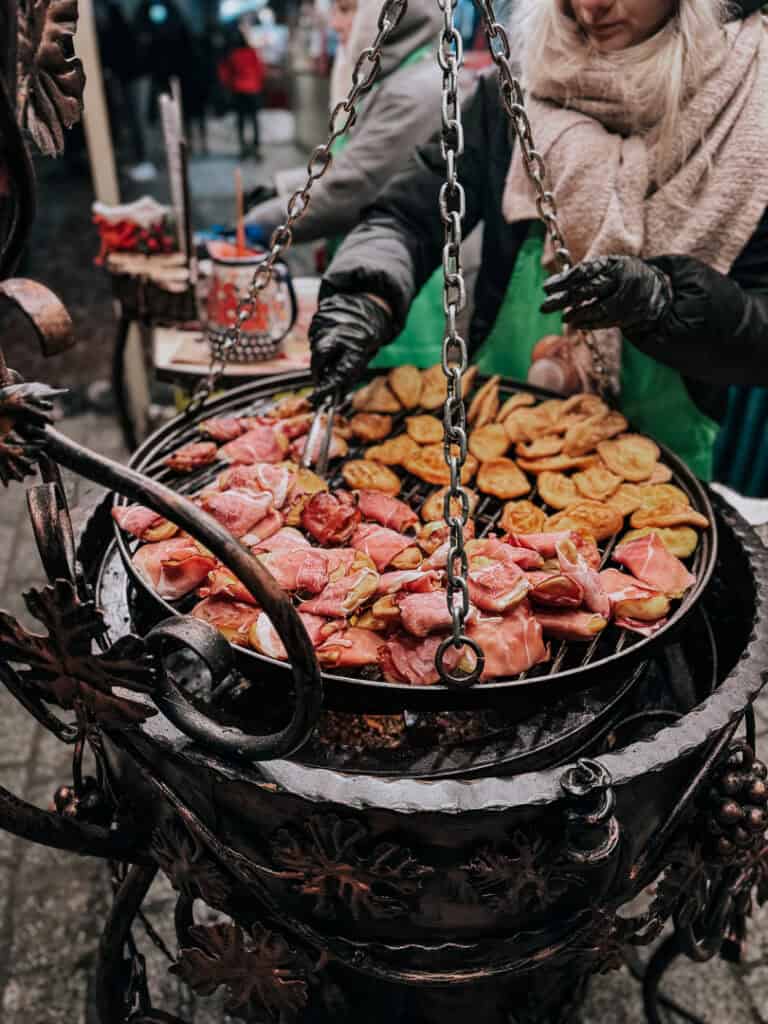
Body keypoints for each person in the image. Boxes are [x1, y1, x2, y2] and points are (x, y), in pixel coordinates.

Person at [309, 0, 768, 482]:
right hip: (495, 445)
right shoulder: (516, 90)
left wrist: (668, 302)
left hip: (658, 468)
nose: (590, 5)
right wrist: (365, 294)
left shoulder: (750, 119)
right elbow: (409, 214)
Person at [246, 0, 451, 368]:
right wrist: (279, 189)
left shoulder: (417, 89)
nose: (336, 23)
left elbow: (351, 187)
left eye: (347, 9)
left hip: (405, 293)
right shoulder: (390, 77)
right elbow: (346, 160)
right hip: (369, 269)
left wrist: (264, 222)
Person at [218, 24, 266, 160]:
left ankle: (243, 147)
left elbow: (225, 73)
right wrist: (258, 84)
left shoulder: (232, 55)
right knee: (255, 119)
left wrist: (229, 85)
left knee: (241, 120)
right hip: (253, 89)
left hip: (239, 90)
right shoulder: (252, 52)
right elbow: (260, 70)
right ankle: (256, 147)